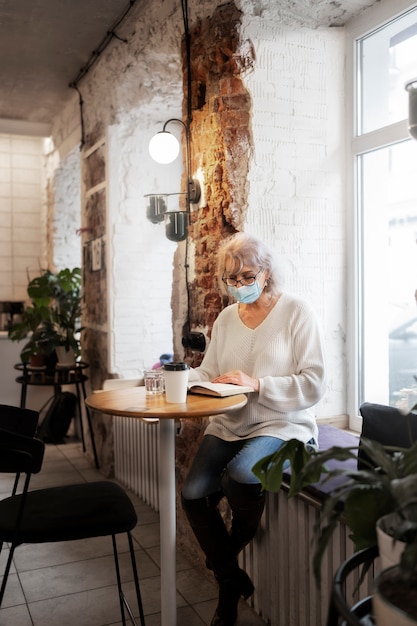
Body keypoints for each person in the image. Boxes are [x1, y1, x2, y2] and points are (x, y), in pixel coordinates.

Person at [181, 232, 327, 626]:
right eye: (232, 280)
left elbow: (315, 383)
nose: (239, 287)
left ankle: (226, 587)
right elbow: (211, 371)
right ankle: (231, 579)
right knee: (193, 494)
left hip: (283, 424)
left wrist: (258, 384)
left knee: (242, 476)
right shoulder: (226, 318)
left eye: (247, 277)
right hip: (229, 422)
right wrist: (179, 377)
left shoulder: (297, 311)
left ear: (266, 273)